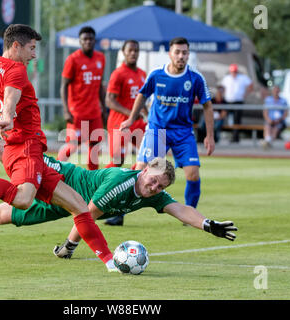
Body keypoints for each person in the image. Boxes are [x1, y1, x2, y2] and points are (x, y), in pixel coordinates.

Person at [0, 24, 114, 270]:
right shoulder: (16, 70)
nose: (34, 55)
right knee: (24, 200)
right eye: (31, 48)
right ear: (16, 46)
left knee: (79, 205)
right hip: (25, 147)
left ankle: (111, 262)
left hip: (22, 147)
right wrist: (7, 116)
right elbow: (11, 97)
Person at [0, 155, 238, 260]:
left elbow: (180, 209)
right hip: (59, 180)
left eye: (160, 187)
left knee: (1, 216)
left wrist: (208, 224)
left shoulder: (151, 195)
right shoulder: (121, 183)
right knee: (7, 158)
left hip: (64, 205)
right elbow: (87, 215)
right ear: (143, 170)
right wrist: (68, 247)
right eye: (153, 180)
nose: (155, 188)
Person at [120, 37, 215, 215]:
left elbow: (207, 105)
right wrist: (132, 119)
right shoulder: (157, 74)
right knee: (141, 169)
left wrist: (210, 135)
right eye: (177, 52)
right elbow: (142, 95)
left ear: (188, 55)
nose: (181, 56)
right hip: (158, 130)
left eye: (184, 53)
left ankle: (190, 213)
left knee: (193, 174)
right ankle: (120, 211)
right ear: (170, 54)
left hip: (183, 132)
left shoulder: (195, 78)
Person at [103, 40, 147, 227]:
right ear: (123, 52)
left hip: (138, 125)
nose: (133, 54)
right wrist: (132, 114)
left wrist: (144, 113)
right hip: (119, 124)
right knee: (117, 162)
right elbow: (109, 101)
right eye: (130, 50)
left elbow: (142, 99)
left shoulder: (142, 74)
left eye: (136, 50)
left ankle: (122, 203)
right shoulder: (118, 73)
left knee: (147, 161)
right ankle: (99, 187)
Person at [58, 26, 106, 170]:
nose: (88, 42)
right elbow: (64, 86)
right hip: (77, 112)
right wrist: (66, 110)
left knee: (95, 146)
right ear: (80, 41)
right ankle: (54, 170)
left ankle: (93, 177)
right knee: (72, 145)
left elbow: (99, 85)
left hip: (94, 112)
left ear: (94, 40)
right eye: (85, 39)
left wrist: (103, 107)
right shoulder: (73, 59)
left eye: (90, 39)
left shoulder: (100, 58)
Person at [220, 63, 253, 143]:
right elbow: (221, 87)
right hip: (228, 101)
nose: (234, 73)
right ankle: (221, 135)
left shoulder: (242, 78)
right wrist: (223, 95)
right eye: (232, 71)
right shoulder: (227, 78)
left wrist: (245, 94)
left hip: (238, 101)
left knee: (236, 120)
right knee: (224, 117)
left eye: (235, 71)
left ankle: (235, 137)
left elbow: (251, 85)